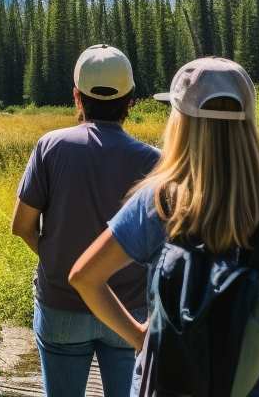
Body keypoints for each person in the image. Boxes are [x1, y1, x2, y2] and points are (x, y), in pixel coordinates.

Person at [69, 57, 259, 397]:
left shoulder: (157, 204)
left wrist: (139, 337)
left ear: (181, 124)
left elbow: (84, 277)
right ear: (249, 123)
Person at [11, 44, 160, 397]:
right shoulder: (154, 161)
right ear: (131, 102)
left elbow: (22, 226)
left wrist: (57, 259)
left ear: (77, 97)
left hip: (62, 306)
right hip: (129, 314)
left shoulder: (50, 147)